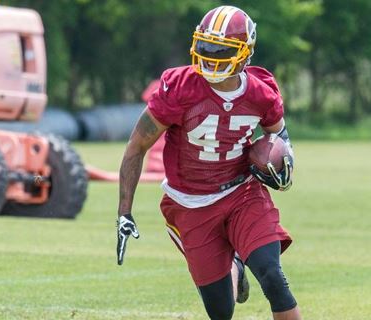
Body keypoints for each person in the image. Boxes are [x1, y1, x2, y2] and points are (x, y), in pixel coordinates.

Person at [116, 5, 302, 320]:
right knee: (220, 311)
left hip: (242, 193)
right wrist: (124, 212)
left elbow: (280, 137)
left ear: (244, 54)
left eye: (222, 50)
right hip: (190, 203)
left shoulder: (260, 92)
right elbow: (137, 146)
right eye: (206, 47)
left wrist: (283, 161)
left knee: (272, 275)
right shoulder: (181, 87)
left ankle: (241, 264)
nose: (212, 57)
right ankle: (233, 267)